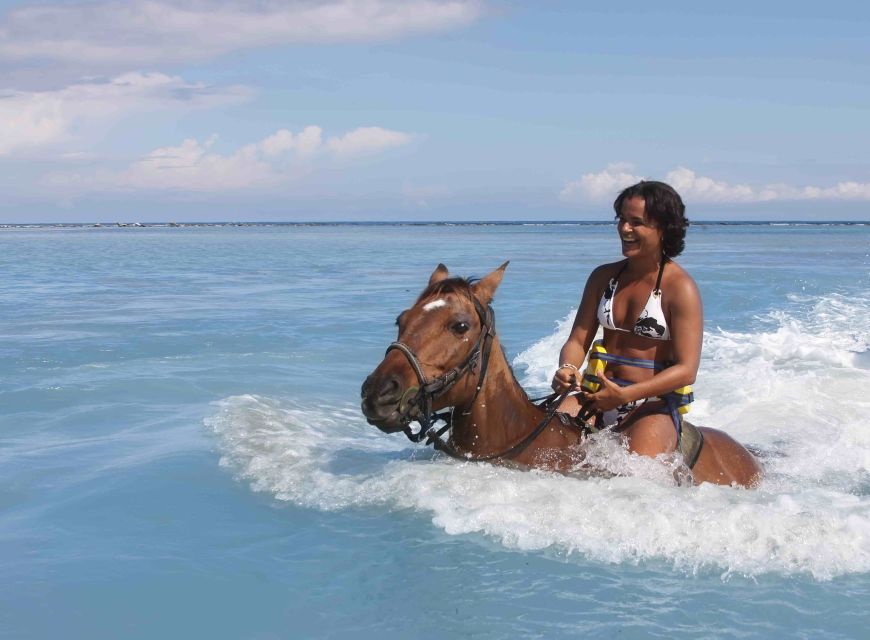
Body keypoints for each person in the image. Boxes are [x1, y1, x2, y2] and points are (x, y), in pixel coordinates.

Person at [552, 181, 700, 459]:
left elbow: (686, 370)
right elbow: (577, 340)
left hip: (651, 405)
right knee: (540, 447)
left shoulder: (680, 287)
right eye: (622, 219)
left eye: (637, 222)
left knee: (633, 485)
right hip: (594, 396)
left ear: (665, 228)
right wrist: (568, 368)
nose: (624, 229)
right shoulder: (602, 277)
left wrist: (625, 397)